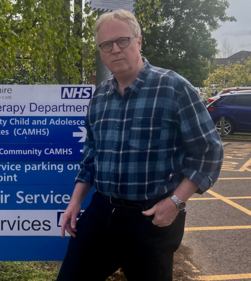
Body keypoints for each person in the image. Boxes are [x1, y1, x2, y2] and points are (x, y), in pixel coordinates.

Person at [57, 9, 223, 281]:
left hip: (151, 218)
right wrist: (75, 201)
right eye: (106, 45)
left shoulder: (174, 88)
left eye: (122, 40)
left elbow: (209, 152)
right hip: (102, 212)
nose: (115, 50)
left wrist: (175, 202)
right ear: (100, 51)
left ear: (138, 41)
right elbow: (92, 155)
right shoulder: (99, 97)